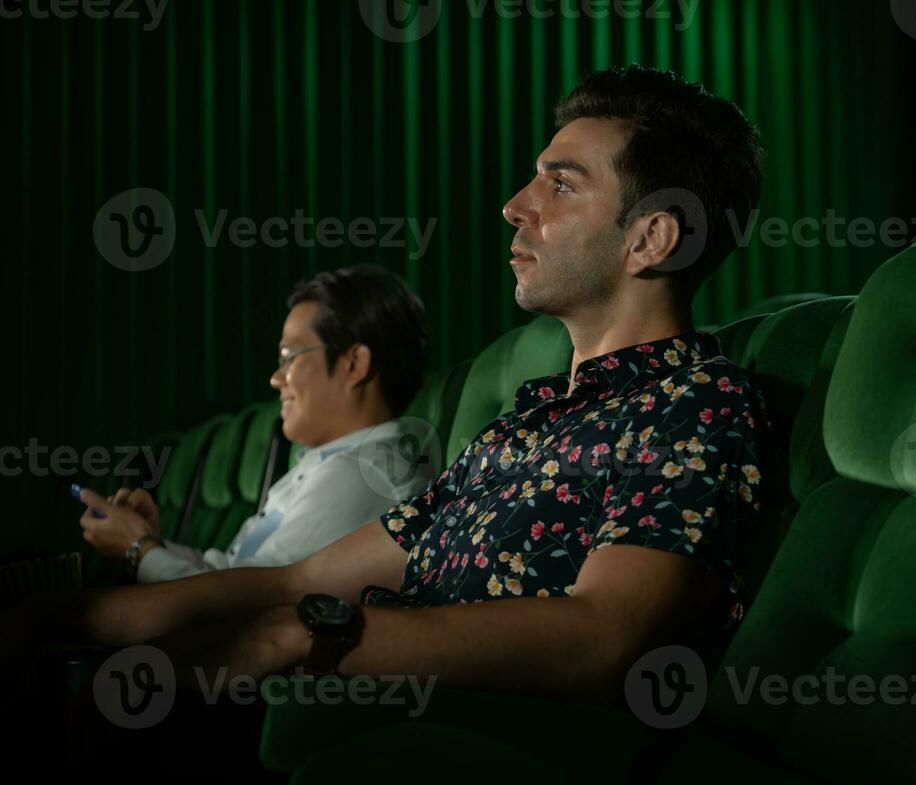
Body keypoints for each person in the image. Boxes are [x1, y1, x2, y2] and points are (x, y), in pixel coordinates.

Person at [9, 66, 771, 704]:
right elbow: (298, 578)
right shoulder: (524, 423)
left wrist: (303, 633)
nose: (516, 206)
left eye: (561, 185)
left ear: (652, 237)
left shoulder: (693, 404)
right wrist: (71, 611)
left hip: (466, 759)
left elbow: (602, 634)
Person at [74, 266, 436, 583]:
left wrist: (139, 549)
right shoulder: (333, 462)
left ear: (353, 364)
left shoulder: (361, 474)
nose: (276, 379)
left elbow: (247, 605)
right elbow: (235, 572)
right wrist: (149, 541)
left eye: (290, 357)